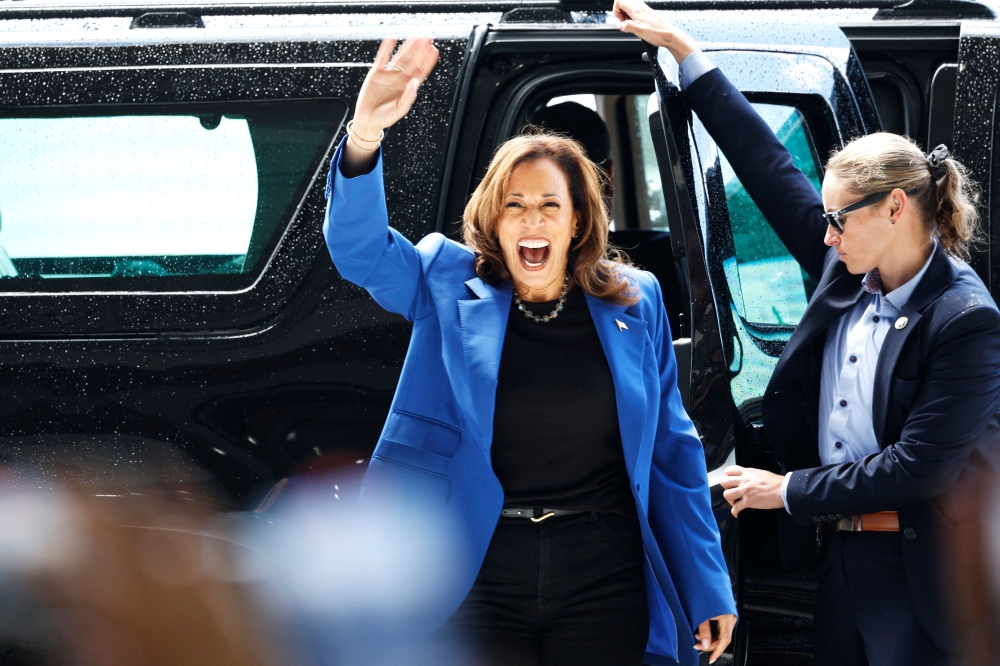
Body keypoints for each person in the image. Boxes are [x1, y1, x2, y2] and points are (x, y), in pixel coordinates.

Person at [324, 36, 736, 666]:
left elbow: (671, 453)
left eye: (550, 205)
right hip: (475, 564)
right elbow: (360, 252)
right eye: (515, 206)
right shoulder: (443, 277)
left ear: (578, 222)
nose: (532, 220)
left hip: (603, 569)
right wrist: (364, 135)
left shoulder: (636, 300)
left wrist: (708, 585)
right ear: (493, 221)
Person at [613, 0, 1000, 664]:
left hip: (921, 573)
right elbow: (765, 165)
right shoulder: (844, 263)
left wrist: (783, 490)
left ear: (895, 208)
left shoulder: (965, 318)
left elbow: (919, 467)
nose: (822, 234)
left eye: (837, 218)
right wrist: (683, 49)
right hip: (838, 560)